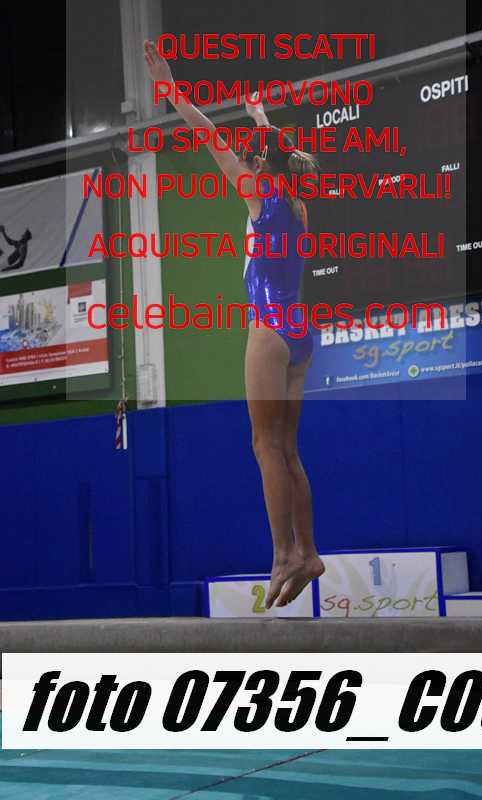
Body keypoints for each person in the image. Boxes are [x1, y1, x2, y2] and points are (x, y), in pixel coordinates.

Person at [144, 40, 324, 608]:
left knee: (263, 445)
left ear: (258, 167)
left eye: (250, 158)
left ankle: (283, 553)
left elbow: (207, 135)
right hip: (301, 332)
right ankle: (309, 550)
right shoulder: (296, 205)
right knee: (288, 450)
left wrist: (170, 88)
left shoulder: (258, 194)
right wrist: (262, 118)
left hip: (268, 328)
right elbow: (277, 153)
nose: (241, 163)